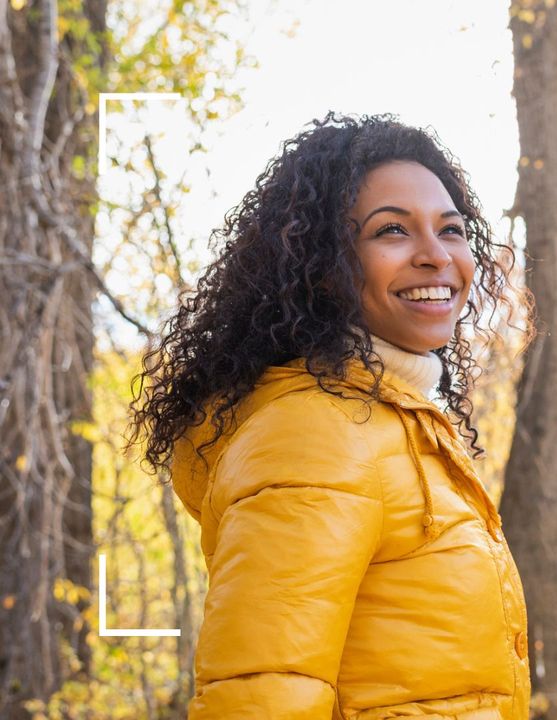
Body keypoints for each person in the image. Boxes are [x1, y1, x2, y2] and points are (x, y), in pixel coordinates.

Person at [126, 113, 533, 719]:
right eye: (392, 231)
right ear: (322, 265)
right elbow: (262, 695)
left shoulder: (401, 424)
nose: (435, 256)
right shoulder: (316, 434)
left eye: (450, 231)